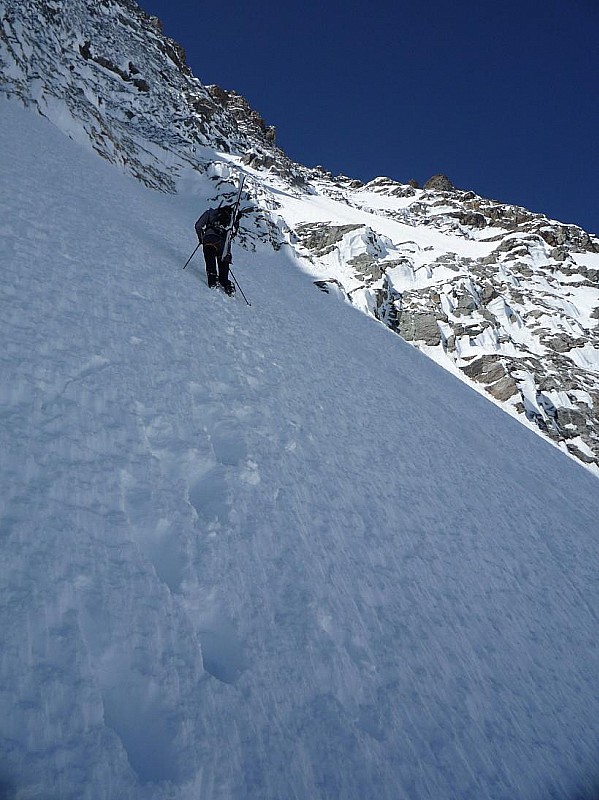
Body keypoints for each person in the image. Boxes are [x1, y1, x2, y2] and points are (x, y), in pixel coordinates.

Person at [194, 204, 238, 294]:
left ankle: (213, 280)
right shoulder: (232, 219)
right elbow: (232, 234)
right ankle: (226, 283)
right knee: (222, 261)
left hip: (209, 239)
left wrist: (201, 238)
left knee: (210, 259)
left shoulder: (210, 213)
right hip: (223, 244)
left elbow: (198, 226)